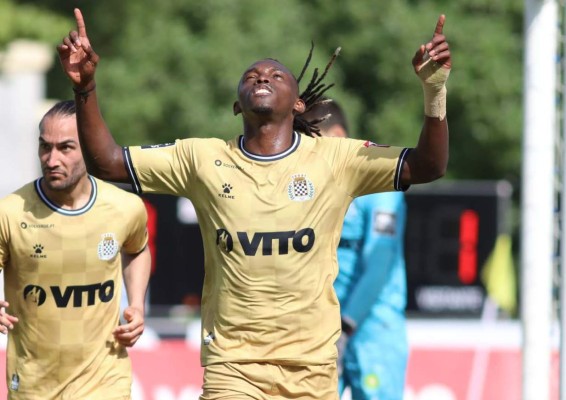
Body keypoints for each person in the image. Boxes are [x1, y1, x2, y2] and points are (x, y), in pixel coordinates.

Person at [57, 8, 451, 400]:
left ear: (298, 105)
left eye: (277, 75)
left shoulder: (337, 159)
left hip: (312, 371)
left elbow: (428, 166)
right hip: (233, 369)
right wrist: (85, 88)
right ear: (237, 105)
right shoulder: (202, 159)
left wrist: (434, 90)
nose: (262, 76)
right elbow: (108, 163)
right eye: (251, 76)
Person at [0, 100, 152, 399]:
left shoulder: (124, 207)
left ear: (89, 146)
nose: (52, 159)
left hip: (105, 380)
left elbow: (137, 249)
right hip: (34, 382)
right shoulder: (10, 212)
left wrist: (136, 304)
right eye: (45, 147)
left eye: (65, 148)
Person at [303, 100, 408, 400]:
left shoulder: (379, 179)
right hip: (322, 331)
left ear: (336, 135)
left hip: (374, 330)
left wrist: (345, 326)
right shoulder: (309, 187)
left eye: (311, 145)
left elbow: (379, 263)